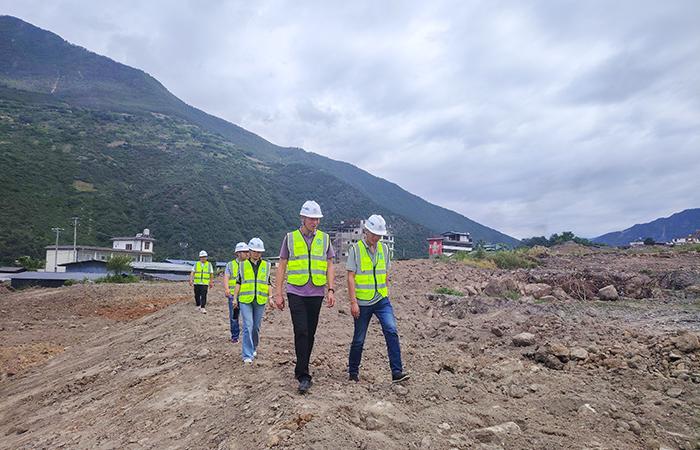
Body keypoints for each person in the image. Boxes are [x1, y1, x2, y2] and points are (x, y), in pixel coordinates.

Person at [274, 200, 336, 394]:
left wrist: (331, 289)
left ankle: (301, 367)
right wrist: (278, 293)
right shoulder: (290, 238)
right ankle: (304, 375)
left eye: (317, 219)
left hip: (316, 292)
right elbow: (282, 265)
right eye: (311, 219)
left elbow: (330, 264)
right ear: (303, 218)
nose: (315, 222)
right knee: (301, 330)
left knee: (310, 332)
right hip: (296, 292)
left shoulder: (325, 239)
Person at [346, 214, 409, 383]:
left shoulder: (385, 249)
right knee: (359, 339)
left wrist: (385, 291)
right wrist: (353, 302)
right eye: (374, 234)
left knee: (391, 331)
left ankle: (397, 372)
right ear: (366, 231)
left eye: (379, 235)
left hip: (381, 299)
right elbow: (350, 277)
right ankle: (353, 372)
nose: (376, 238)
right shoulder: (356, 250)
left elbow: (386, 272)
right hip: (362, 302)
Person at [233, 238, 272, 364]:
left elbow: (268, 283)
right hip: (245, 300)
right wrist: (235, 298)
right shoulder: (242, 265)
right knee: (248, 325)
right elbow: (238, 282)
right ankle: (247, 354)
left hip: (260, 300)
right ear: (249, 251)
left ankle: (254, 347)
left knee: (256, 327)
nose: (257, 254)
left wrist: (270, 297)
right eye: (255, 251)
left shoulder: (266, 266)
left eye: (259, 252)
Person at [224, 242, 250, 343]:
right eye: (244, 252)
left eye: (247, 251)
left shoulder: (250, 264)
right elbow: (226, 277)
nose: (247, 253)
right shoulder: (230, 265)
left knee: (247, 317)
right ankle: (235, 336)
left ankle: (247, 336)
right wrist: (227, 289)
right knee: (234, 316)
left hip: (246, 294)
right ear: (238, 253)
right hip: (233, 295)